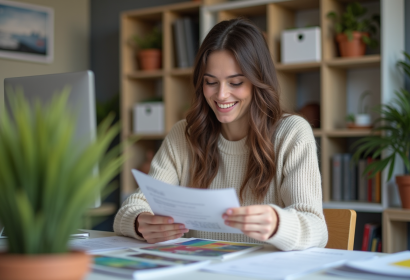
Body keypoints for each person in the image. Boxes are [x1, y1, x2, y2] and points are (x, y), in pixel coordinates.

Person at [114, 18, 328, 251]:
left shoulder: (292, 133)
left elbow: (316, 228)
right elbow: (132, 206)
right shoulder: (184, 135)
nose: (222, 95)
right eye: (211, 82)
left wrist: (278, 224)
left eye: (235, 82)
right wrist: (139, 222)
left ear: (259, 81)